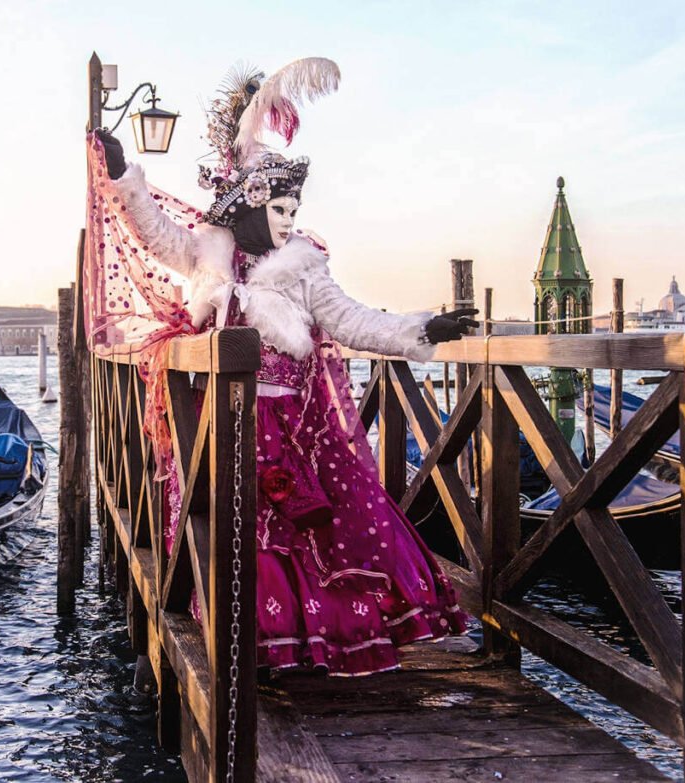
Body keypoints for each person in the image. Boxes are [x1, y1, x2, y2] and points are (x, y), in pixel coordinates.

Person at [93, 58, 476, 676]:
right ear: (247, 206)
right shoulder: (206, 253)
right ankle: (241, 636)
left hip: (290, 430)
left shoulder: (303, 267)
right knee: (223, 525)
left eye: (295, 210)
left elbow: (352, 321)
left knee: (296, 532)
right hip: (218, 421)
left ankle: (300, 641)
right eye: (280, 209)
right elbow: (156, 234)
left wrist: (419, 328)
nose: (291, 221)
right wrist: (122, 176)